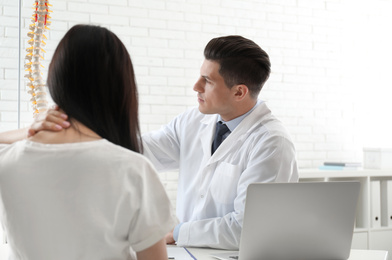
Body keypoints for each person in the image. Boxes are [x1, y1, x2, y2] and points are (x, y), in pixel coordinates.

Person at [0, 35, 298, 250]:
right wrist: (37, 130)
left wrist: (178, 231)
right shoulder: (194, 121)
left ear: (239, 92)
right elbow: (129, 147)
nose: (195, 86)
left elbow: (250, 229)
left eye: (207, 80)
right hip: (189, 252)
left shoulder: (272, 144)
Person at [0, 24, 177, 260]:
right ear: (119, 88)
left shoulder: (8, 161)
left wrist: (30, 131)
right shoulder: (132, 168)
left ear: (56, 77)